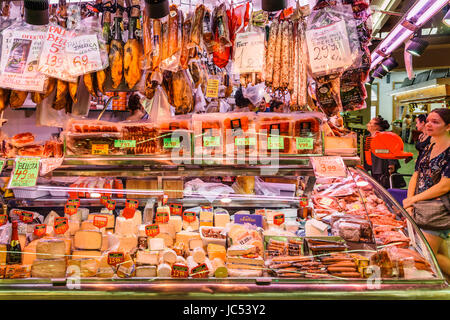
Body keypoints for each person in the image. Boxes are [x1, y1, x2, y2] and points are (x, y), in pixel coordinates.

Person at [403, 108, 450, 278]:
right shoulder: (428, 146)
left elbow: (445, 185)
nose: (429, 124)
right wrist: (409, 201)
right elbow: (416, 174)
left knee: (428, 255)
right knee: (439, 253)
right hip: (420, 207)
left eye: (435, 122)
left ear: (448, 126)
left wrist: (414, 199)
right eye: (428, 120)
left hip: (438, 211)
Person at [364, 116, 402, 189]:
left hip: (382, 165)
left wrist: (391, 164)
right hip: (373, 165)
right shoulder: (368, 137)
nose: (367, 124)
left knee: (383, 184)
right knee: (376, 183)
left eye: (370, 123)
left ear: (377, 127)